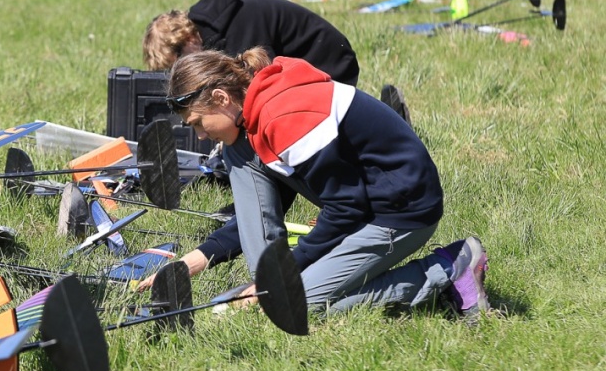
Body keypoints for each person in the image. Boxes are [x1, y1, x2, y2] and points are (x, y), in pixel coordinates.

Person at [138, 48, 489, 323]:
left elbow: (347, 209)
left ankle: (449, 268)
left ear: (220, 97)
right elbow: (265, 206)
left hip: (399, 212)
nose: (200, 135)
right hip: (361, 205)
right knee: (237, 153)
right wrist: (192, 262)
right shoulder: (253, 116)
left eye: (198, 123)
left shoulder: (285, 116)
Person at [143, 0, 361, 87]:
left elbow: (260, 78)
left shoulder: (237, 29)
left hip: (330, 67)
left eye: (179, 62)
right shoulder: (213, 29)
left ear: (188, 38)